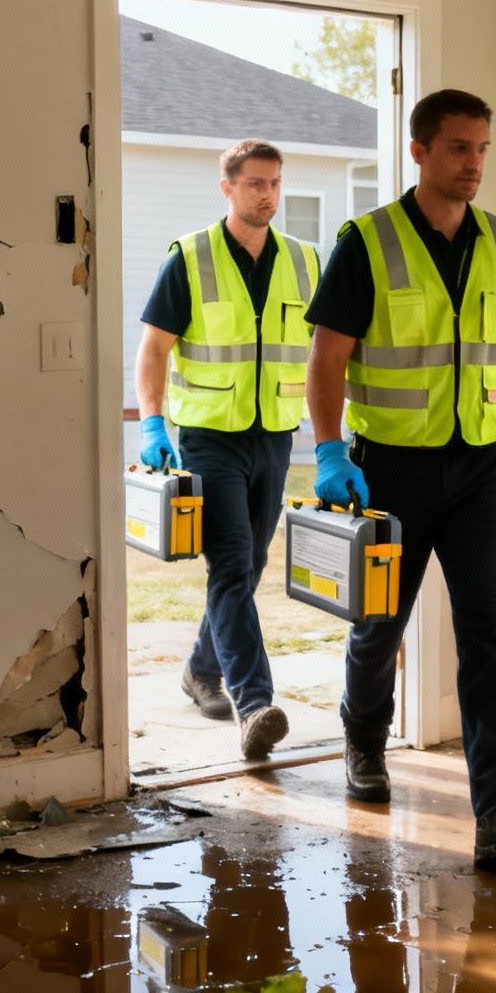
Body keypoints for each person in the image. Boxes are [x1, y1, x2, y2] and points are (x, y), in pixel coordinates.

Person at [304, 88, 496, 868]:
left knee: (488, 633)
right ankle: (364, 743)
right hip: (388, 469)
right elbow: (329, 353)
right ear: (419, 151)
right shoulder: (368, 241)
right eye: (459, 147)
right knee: (379, 626)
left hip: (481, 470)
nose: (474, 163)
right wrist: (328, 451)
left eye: (484, 148)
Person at [134, 138, 321, 760]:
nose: (267, 194)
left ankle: (199, 672)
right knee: (234, 564)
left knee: (252, 566)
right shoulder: (190, 258)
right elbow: (154, 349)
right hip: (210, 437)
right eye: (255, 184)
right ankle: (254, 703)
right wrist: (153, 425)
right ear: (228, 188)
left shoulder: (303, 261)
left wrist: (334, 443)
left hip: (275, 434)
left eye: (275, 183)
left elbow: (326, 352)